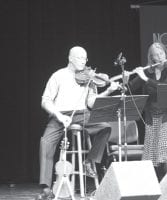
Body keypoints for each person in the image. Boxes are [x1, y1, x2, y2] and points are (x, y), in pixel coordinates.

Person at [36, 46, 120, 200]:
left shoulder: (89, 78)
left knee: (105, 127)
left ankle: (89, 161)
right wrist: (59, 115)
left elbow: (91, 102)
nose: (83, 62)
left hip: (82, 114)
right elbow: (45, 100)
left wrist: (108, 91)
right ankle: (46, 189)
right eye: (79, 58)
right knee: (45, 142)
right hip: (59, 115)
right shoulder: (58, 75)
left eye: (85, 58)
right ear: (70, 58)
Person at [125, 42, 167, 181]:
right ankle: (158, 187)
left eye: (161, 53)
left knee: (166, 155)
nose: (159, 56)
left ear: (165, 53)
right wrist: (126, 79)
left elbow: (165, 87)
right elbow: (130, 88)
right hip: (152, 116)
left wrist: (145, 79)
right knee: (153, 156)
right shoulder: (147, 71)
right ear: (152, 58)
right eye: (156, 55)